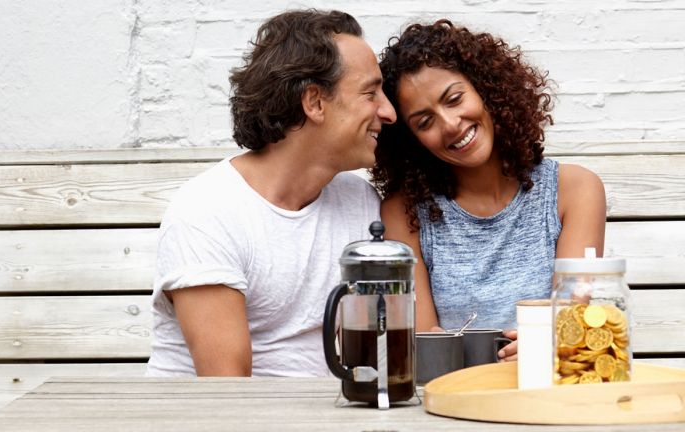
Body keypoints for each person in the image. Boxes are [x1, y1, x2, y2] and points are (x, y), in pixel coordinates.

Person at [146, 9, 397, 377]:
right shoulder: (208, 212)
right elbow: (227, 391)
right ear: (314, 102)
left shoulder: (358, 202)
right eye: (370, 93)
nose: (388, 111)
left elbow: (373, 358)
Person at [372, 20, 606, 360]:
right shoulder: (404, 212)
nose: (450, 124)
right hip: (453, 394)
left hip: (547, 387)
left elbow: (569, 325)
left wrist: (544, 346)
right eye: (425, 122)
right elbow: (426, 345)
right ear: (412, 141)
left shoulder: (575, 190)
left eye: (454, 99)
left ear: (486, 88)